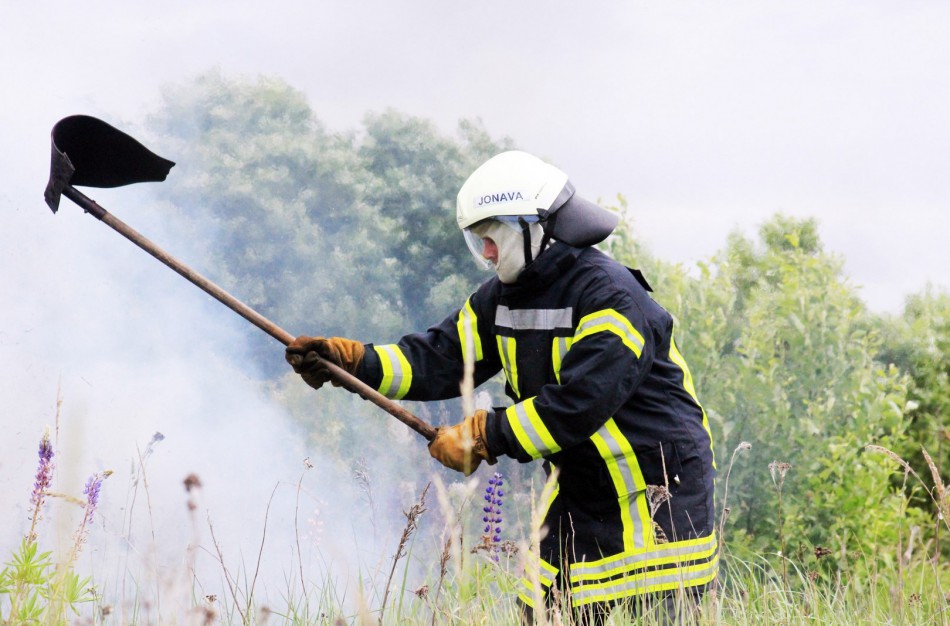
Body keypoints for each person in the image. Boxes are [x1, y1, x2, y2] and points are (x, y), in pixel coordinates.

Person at [286, 151, 717, 624]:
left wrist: (485, 436)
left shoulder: (611, 298)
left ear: (531, 227)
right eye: (479, 242)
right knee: (540, 612)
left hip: (655, 497)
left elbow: (577, 405)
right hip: (582, 488)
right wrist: (352, 363)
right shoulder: (502, 299)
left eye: (491, 239)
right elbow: (437, 359)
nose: (487, 255)